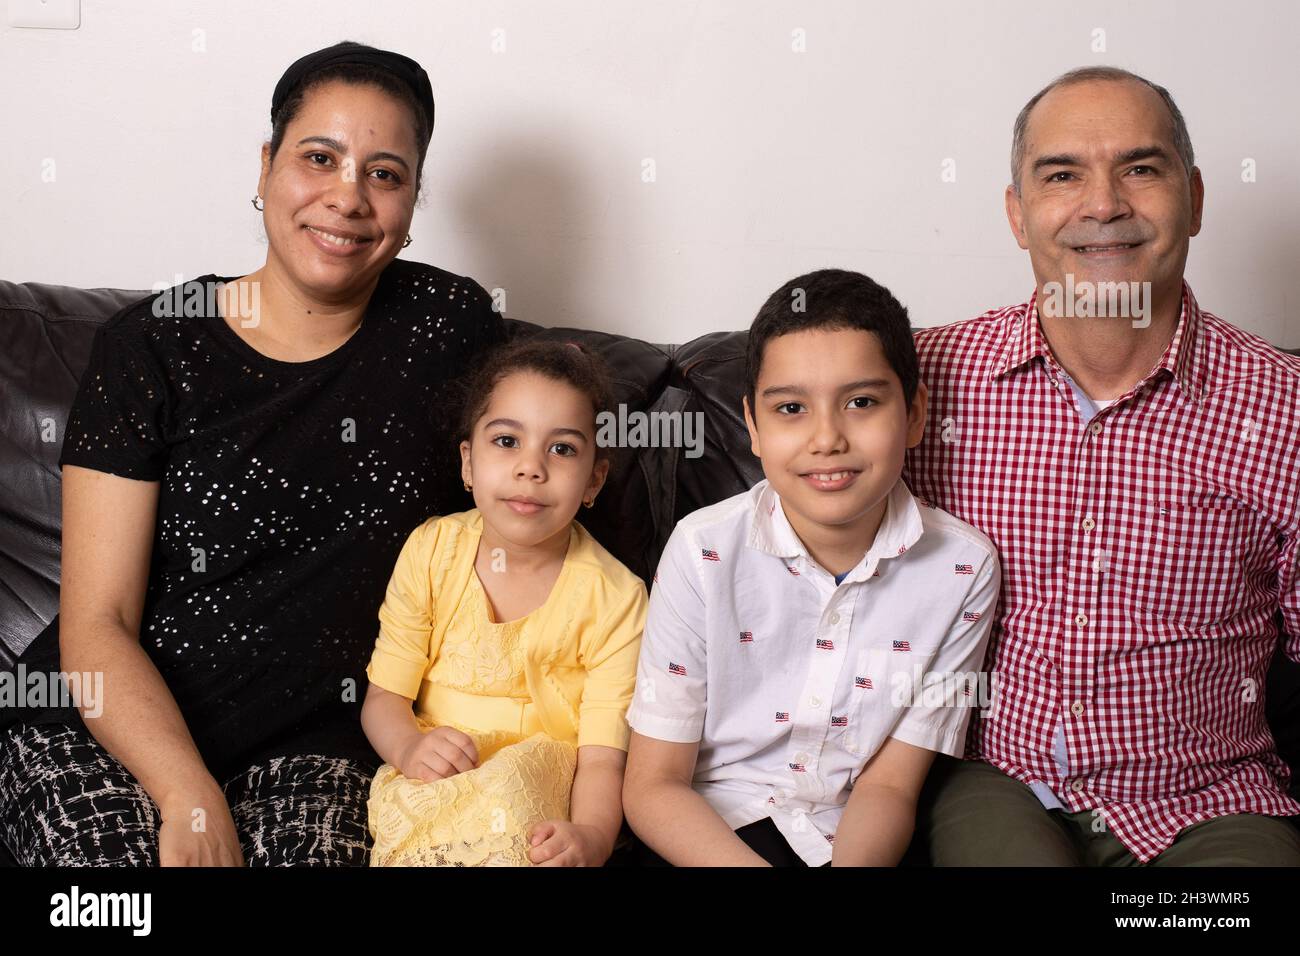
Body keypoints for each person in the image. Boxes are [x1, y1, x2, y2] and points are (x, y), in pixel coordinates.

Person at [0, 41, 505, 866]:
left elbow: (522, 508)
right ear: (267, 166)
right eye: (319, 158)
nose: (348, 198)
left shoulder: (447, 330)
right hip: (110, 727)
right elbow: (98, 623)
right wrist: (186, 794)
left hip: (320, 748)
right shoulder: (152, 349)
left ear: (414, 201)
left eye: (385, 173)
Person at [905, 66, 1300, 865]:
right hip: (994, 782)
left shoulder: (1286, 407)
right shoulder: (921, 383)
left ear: (1193, 197)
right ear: (1018, 214)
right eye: (1062, 175)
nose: (1104, 204)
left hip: (1213, 799)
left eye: (1141, 169)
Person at [621, 269, 1000, 866]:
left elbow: (889, 786)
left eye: (862, 402)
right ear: (752, 425)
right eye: (792, 408)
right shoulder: (702, 551)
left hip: (850, 838)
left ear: (916, 414)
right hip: (707, 832)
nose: (827, 438)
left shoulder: (963, 569)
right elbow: (653, 785)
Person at [360, 339, 647, 866]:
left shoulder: (617, 597)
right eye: (507, 441)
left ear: (594, 480)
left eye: (562, 449)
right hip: (434, 772)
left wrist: (590, 836)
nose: (530, 468)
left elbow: (603, 757)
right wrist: (408, 749)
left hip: (540, 789)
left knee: (516, 813)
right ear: (468, 462)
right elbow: (384, 698)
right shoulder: (431, 550)